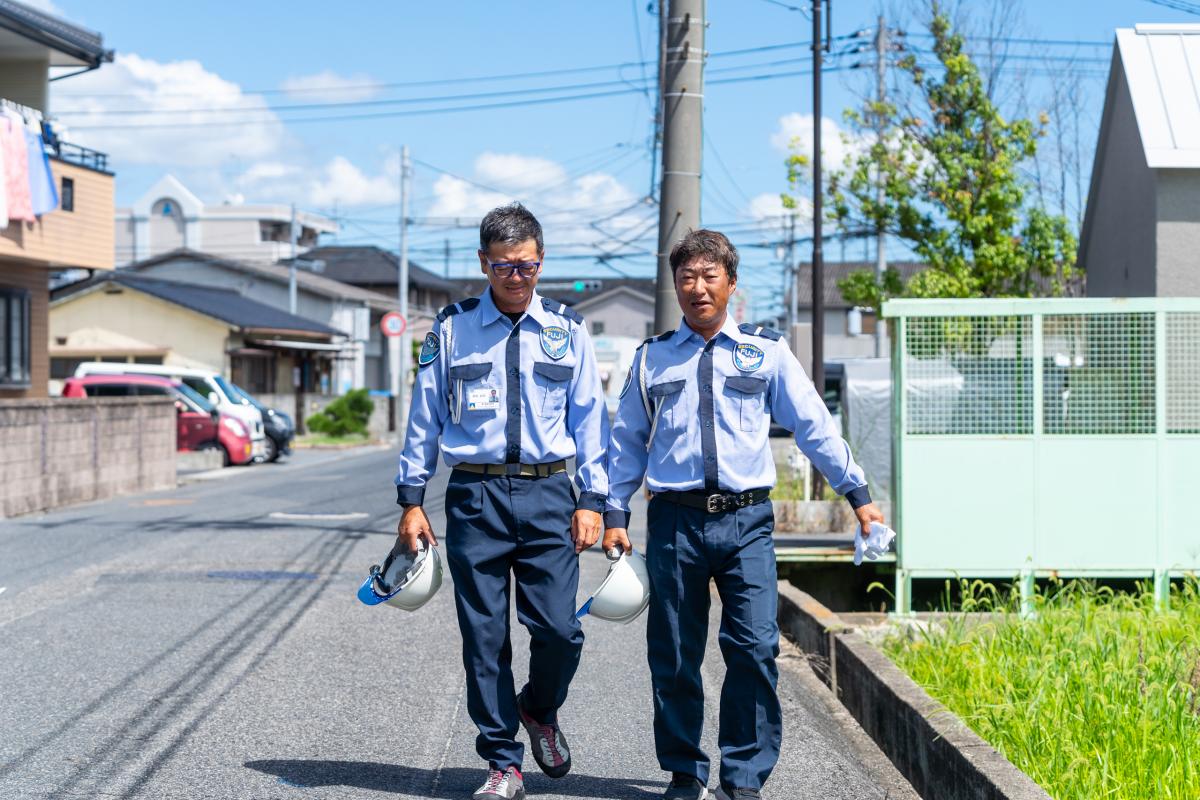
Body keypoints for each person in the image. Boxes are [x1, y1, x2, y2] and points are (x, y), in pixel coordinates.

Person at [603, 229, 884, 800]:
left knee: (754, 647)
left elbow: (814, 427)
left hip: (746, 522)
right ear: (676, 285)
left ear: (731, 283)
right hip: (674, 522)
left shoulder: (766, 352)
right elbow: (627, 440)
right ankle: (684, 772)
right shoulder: (651, 357)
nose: (698, 288)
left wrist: (858, 495)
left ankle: (744, 778)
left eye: (710, 277)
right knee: (676, 653)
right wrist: (611, 510)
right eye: (687, 278)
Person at [394, 203, 609, 800]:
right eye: (505, 266)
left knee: (561, 630)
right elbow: (425, 417)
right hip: (475, 496)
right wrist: (411, 500)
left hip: (548, 494)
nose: (518, 277)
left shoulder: (568, 329)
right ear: (484, 264)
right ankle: (502, 761)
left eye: (528, 265)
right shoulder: (452, 327)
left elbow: (591, 419)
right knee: (483, 636)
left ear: (541, 260)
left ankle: (539, 709)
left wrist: (592, 499)